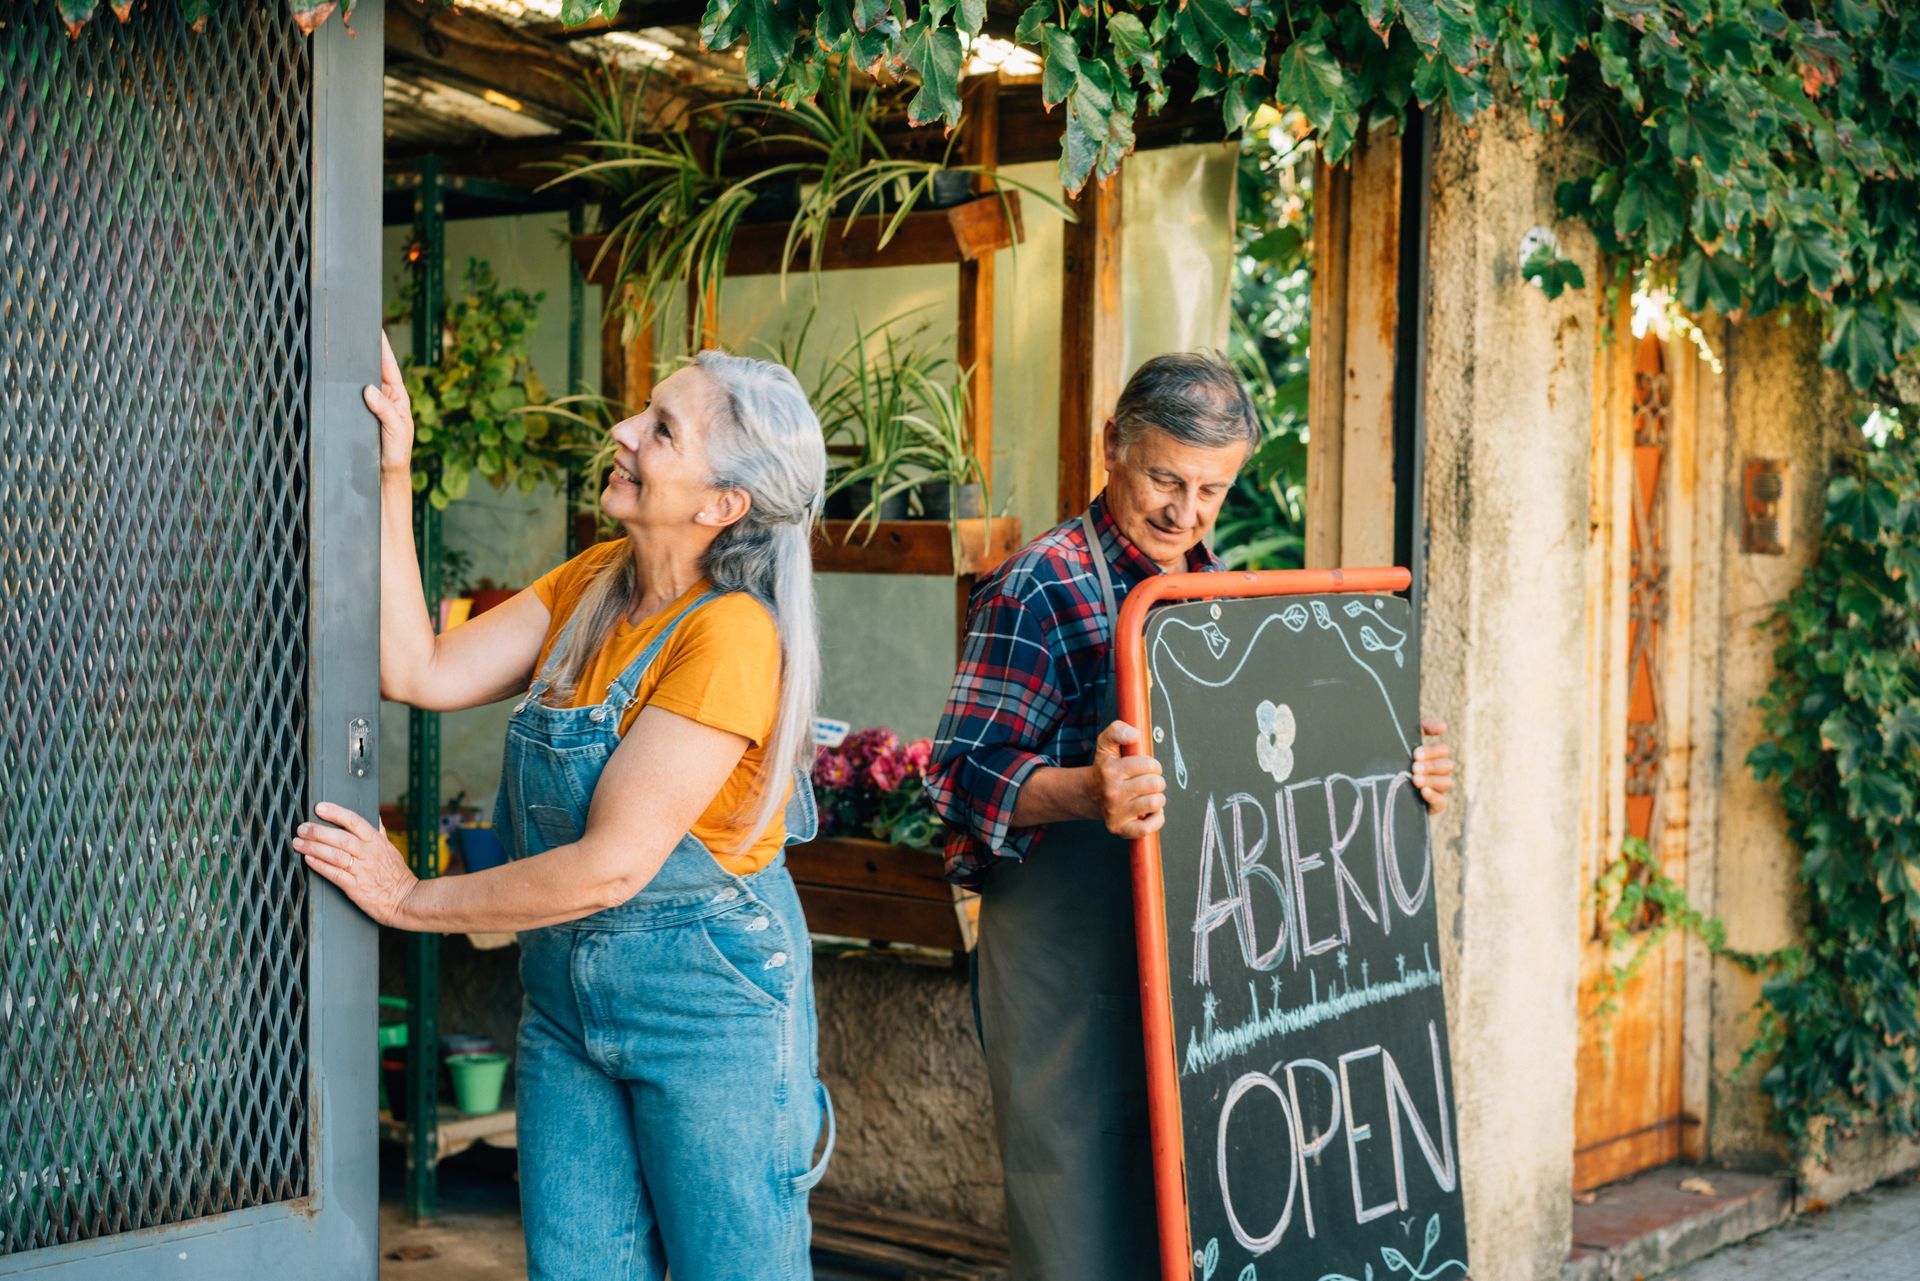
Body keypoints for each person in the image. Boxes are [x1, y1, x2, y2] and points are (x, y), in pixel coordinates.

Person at [295, 333, 835, 1281]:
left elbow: (611, 866)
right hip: (565, 1003)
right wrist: (393, 473)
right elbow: (416, 669)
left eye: (661, 429)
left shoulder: (732, 637)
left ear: (722, 504)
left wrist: (411, 899)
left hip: (712, 1010)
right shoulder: (595, 583)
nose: (623, 431)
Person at [926, 352, 1454, 1280]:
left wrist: (1397, 773)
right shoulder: (1039, 587)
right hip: (1072, 982)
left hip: (1205, 974)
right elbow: (958, 774)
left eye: (1212, 488)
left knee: (1208, 1226)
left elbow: (1289, 774)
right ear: (1111, 449)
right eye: (1165, 478)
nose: (1186, 512)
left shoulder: (1227, 602)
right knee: (1082, 1230)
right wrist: (1087, 792)